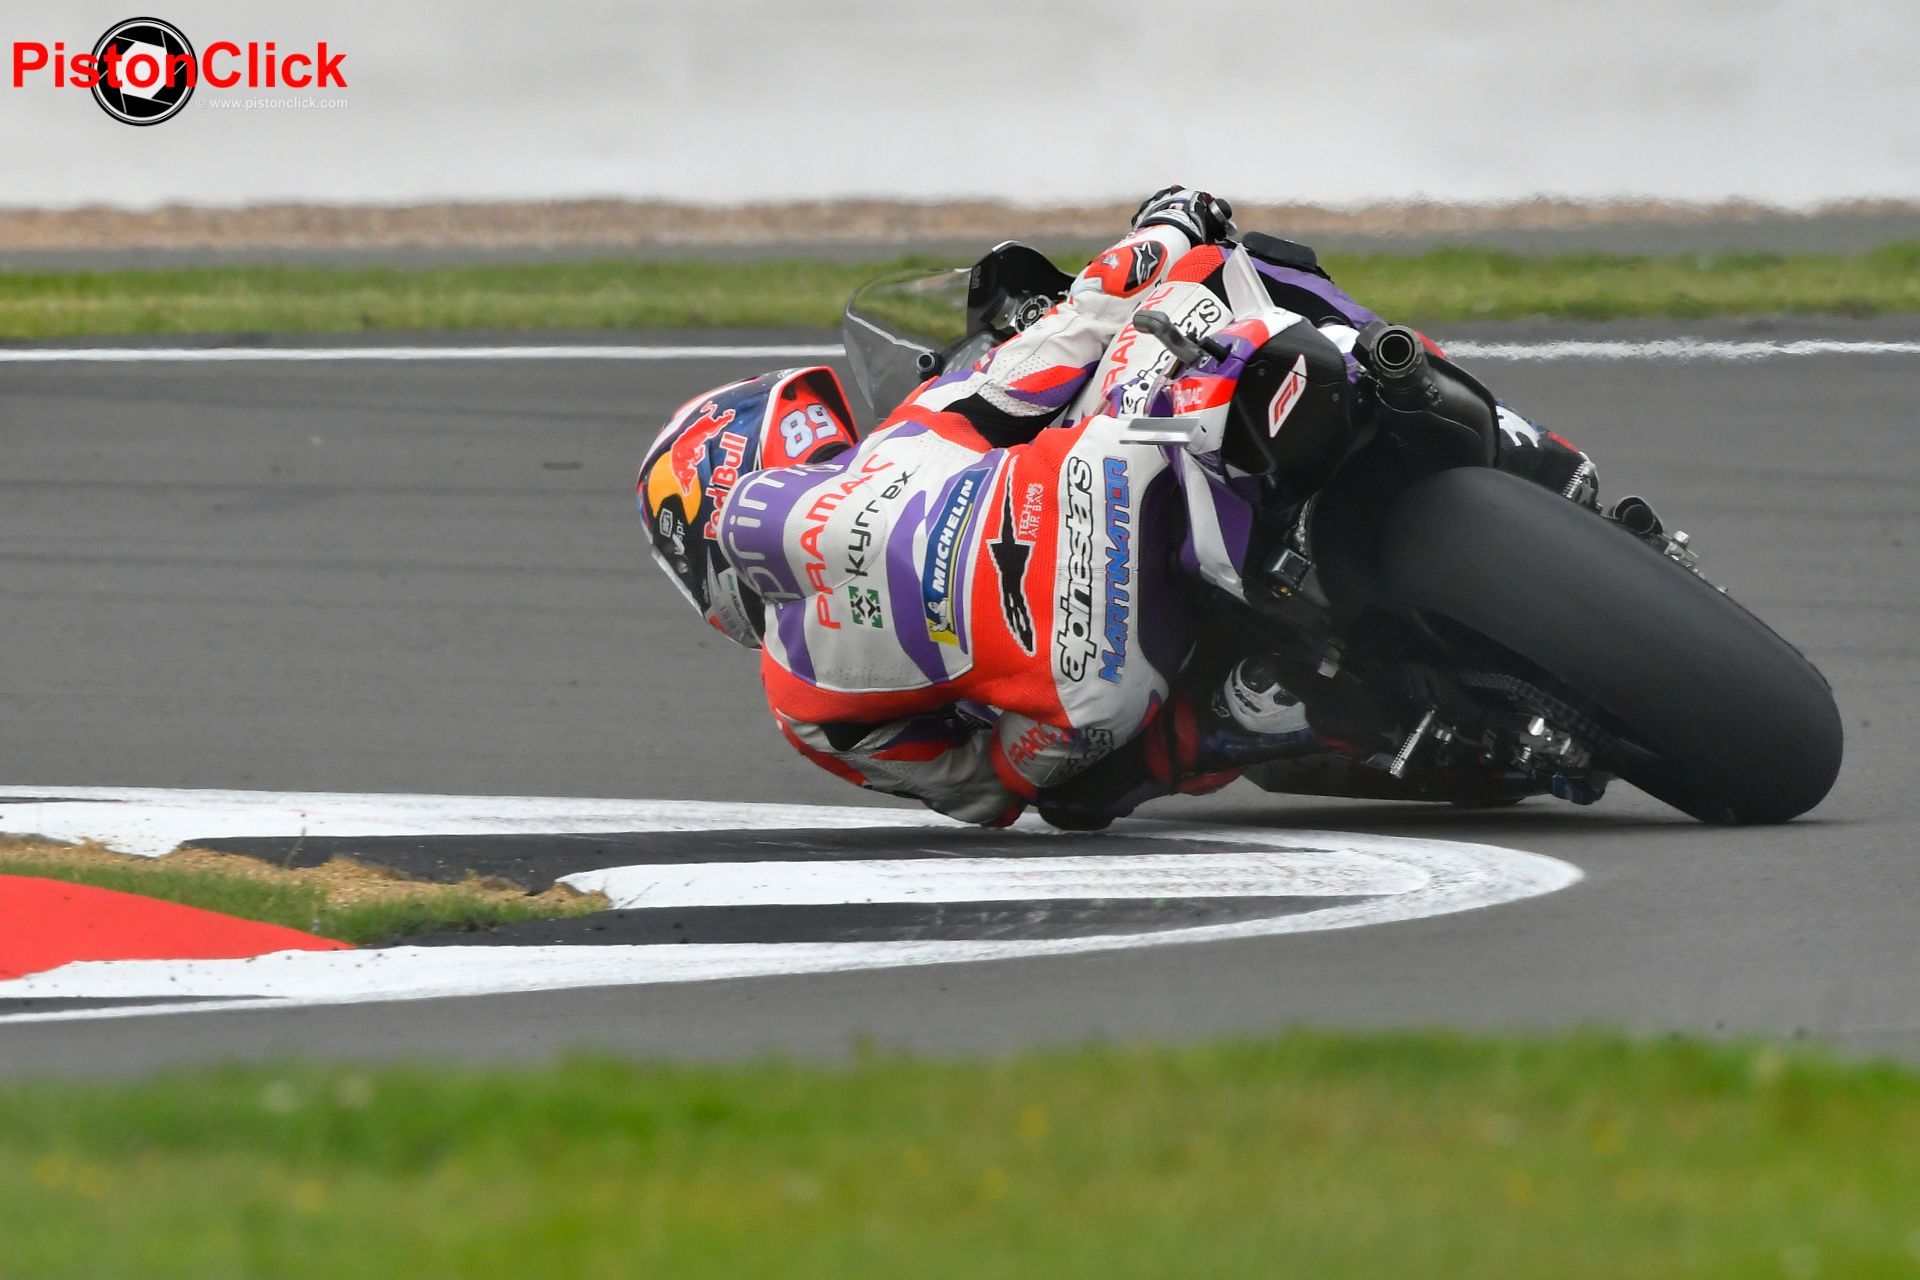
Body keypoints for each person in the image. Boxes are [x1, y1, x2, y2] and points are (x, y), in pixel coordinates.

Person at [638, 187, 1594, 827]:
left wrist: (1054, 739)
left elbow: (980, 793)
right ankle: (1508, 441)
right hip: (1116, 479)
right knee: (1232, 271)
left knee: (1083, 796)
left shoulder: (800, 710)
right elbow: (1082, 319)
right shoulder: (916, 433)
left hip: (1094, 696)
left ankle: (1300, 714)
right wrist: (1171, 221)